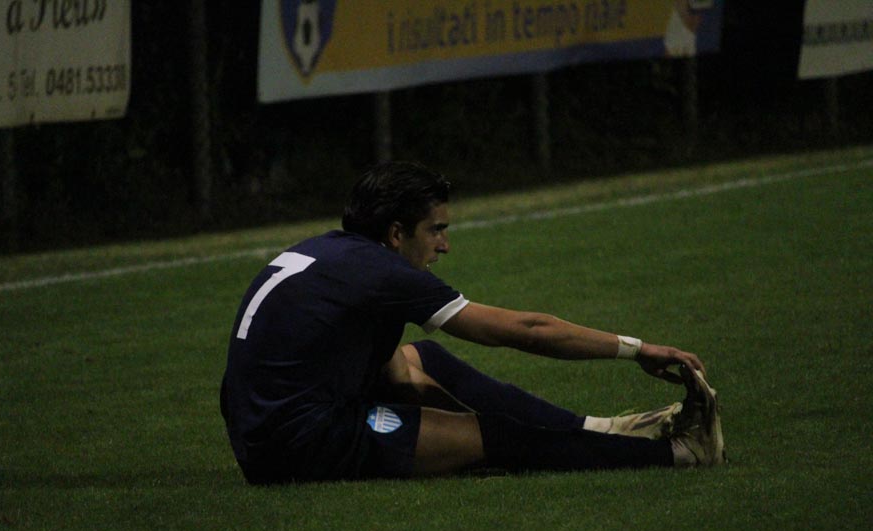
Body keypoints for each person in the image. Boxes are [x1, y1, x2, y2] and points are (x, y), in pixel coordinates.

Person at [220, 161, 725, 485]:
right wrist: (637, 348)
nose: (444, 245)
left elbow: (396, 373)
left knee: (426, 359)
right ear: (395, 234)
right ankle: (680, 454)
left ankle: (602, 430)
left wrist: (455, 415)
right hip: (298, 446)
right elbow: (526, 330)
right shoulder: (382, 274)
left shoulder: (333, 253)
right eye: (435, 230)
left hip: (261, 429)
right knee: (498, 440)